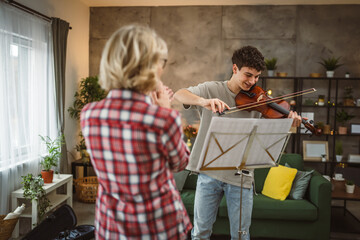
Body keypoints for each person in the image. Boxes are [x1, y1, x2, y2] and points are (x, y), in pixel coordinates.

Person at [174, 46, 302, 240]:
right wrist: (203, 102)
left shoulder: (259, 101)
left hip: (241, 177)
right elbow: (179, 94)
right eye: (248, 75)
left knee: (241, 236)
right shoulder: (212, 89)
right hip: (209, 174)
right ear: (235, 69)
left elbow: (268, 135)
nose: (252, 82)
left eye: (257, 77)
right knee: (200, 233)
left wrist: (289, 123)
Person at [80, 25, 192, 240]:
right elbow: (180, 163)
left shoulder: (89, 114)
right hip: (158, 226)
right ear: (149, 66)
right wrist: (165, 109)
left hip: (111, 225)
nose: (162, 68)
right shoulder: (163, 119)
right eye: (161, 62)